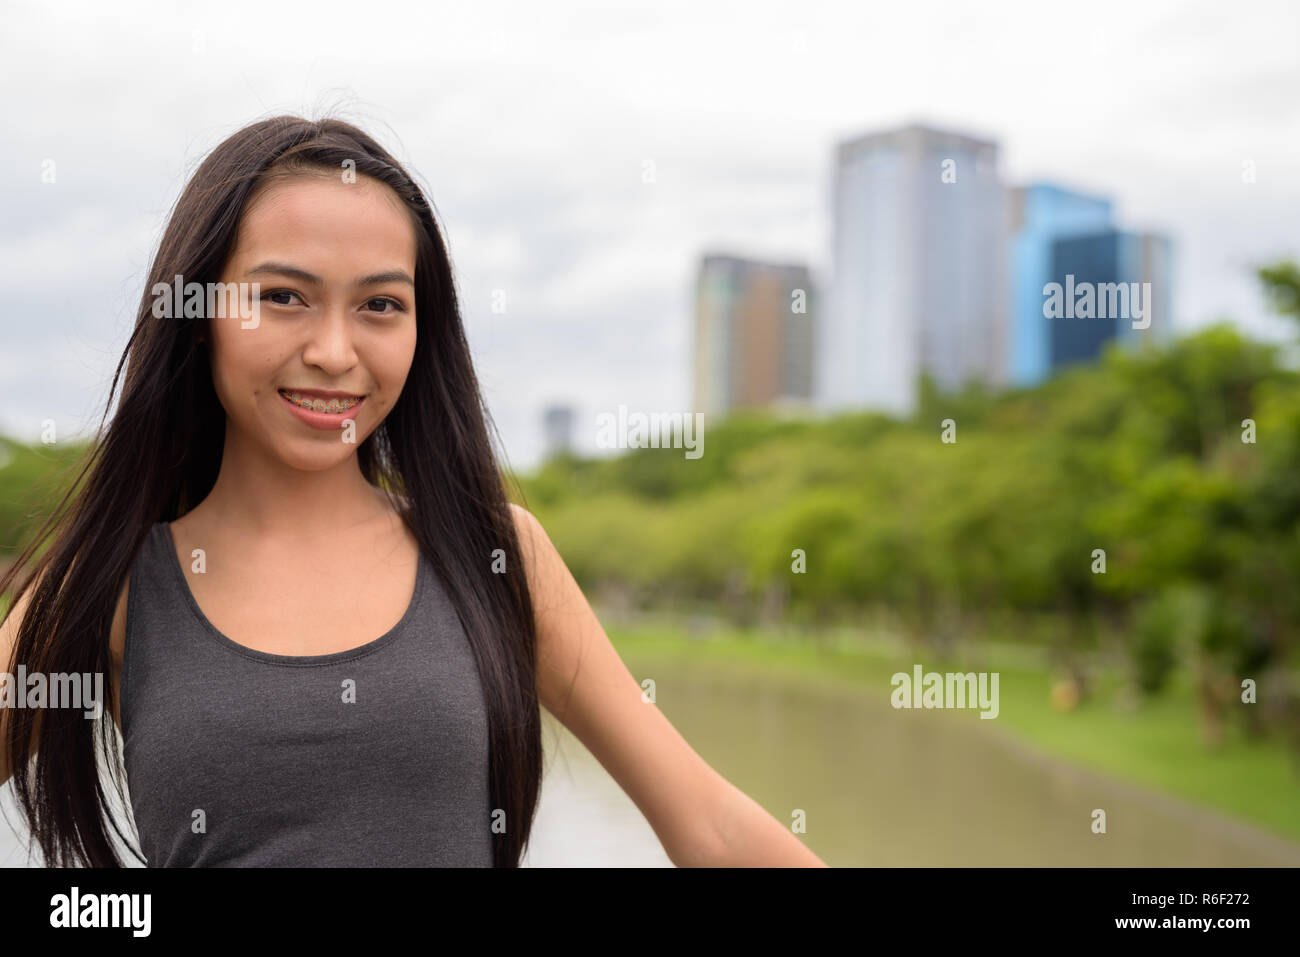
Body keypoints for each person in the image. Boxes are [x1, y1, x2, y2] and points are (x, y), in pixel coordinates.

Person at [0, 115, 826, 868]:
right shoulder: (107, 584)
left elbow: (708, 825)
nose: (333, 349)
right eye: (283, 296)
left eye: (381, 305)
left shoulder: (496, 554)